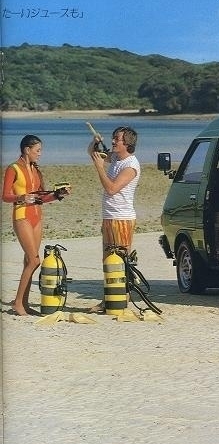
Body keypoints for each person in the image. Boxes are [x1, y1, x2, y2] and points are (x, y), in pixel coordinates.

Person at [2, 134, 70, 315]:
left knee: (28, 260)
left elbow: (41, 199)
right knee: (34, 260)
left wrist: (57, 195)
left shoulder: (36, 170)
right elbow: (5, 196)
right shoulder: (13, 168)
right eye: (37, 150)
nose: (40, 154)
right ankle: (17, 303)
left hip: (37, 217)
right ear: (27, 149)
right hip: (22, 216)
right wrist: (21, 197)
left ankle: (24, 304)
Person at [87, 125, 140, 312]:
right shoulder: (116, 157)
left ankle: (122, 300)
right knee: (108, 260)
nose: (113, 142)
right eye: (113, 138)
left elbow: (111, 188)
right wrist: (95, 143)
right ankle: (107, 300)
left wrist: (100, 168)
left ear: (127, 143)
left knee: (121, 261)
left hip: (122, 218)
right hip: (109, 216)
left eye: (116, 139)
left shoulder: (131, 165)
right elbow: (94, 153)